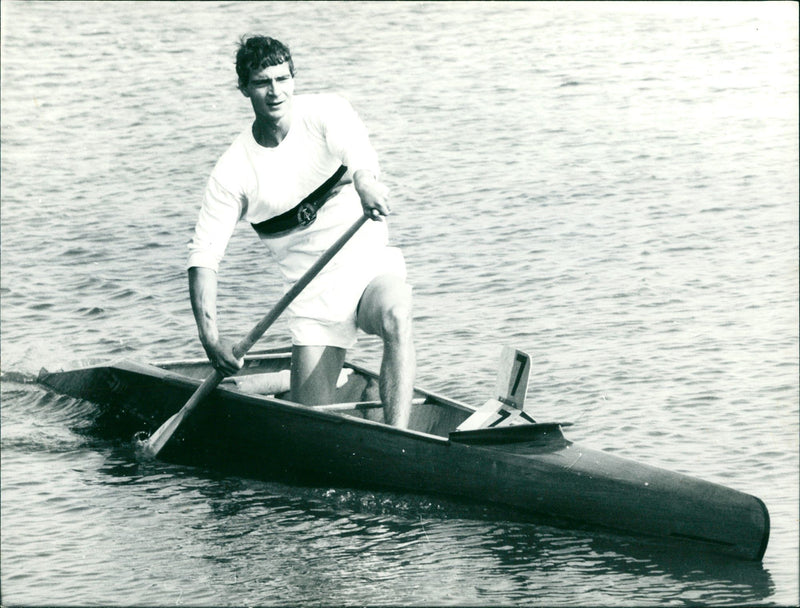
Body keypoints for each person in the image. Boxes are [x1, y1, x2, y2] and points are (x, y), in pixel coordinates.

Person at [186, 35, 415, 428]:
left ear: (293, 78)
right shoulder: (233, 171)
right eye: (262, 82)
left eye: (282, 78)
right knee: (309, 426)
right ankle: (356, 390)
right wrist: (212, 339)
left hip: (368, 271)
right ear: (244, 88)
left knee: (397, 314)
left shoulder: (326, 112)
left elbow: (358, 151)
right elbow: (204, 259)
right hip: (313, 301)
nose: (275, 91)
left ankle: (401, 438)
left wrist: (364, 182)